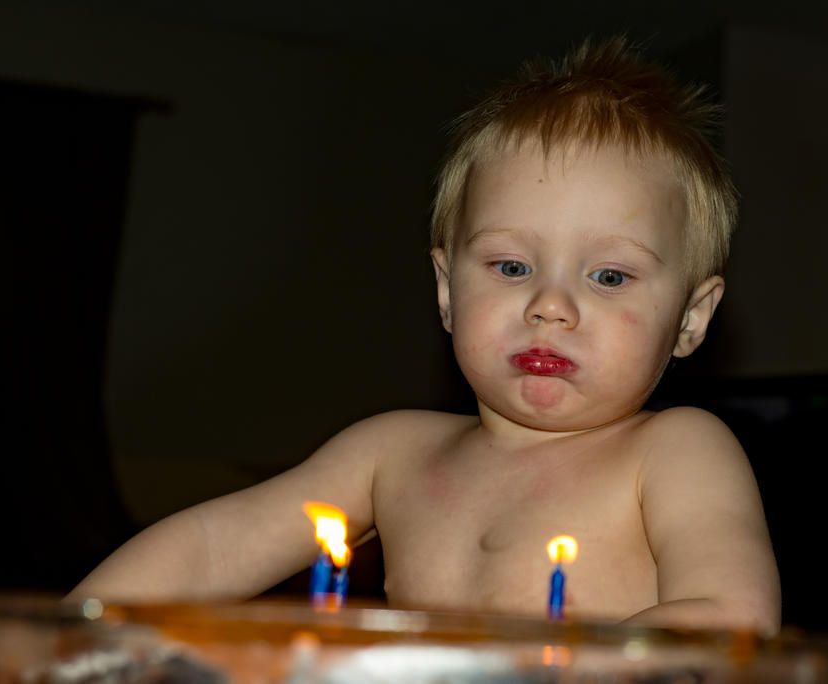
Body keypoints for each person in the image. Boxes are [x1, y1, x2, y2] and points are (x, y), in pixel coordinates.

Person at [67, 37, 781, 634]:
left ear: (691, 318)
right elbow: (212, 548)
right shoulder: (389, 453)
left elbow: (731, 617)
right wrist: (67, 637)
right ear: (447, 289)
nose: (549, 306)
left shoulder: (675, 452)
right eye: (512, 266)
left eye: (610, 276)